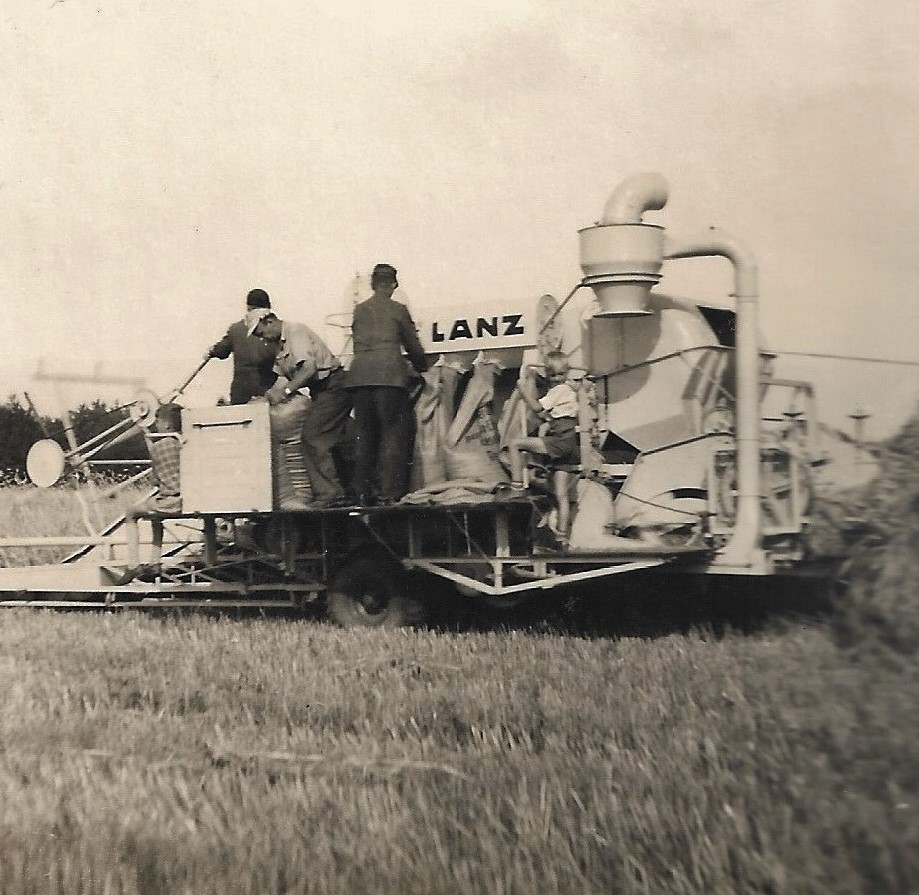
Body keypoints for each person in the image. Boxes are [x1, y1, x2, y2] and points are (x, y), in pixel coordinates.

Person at [246, 307, 352, 508]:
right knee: (329, 440)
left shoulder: (296, 332)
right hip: (321, 391)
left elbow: (308, 368)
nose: (262, 339)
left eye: (261, 333)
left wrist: (285, 392)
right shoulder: (278, 345)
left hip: (334, 386)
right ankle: (340, 490)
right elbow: (282, 377)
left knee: (312, 437)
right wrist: (269, 395)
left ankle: (332, 493)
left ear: (269, 321)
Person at [345, 263, 429, 505]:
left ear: (372, 284)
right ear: (394, 285)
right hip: (389, 378)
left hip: (360, 378)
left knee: (365, 435)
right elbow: (412, 345)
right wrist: (423, 367)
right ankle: (389, 494)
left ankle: (361, 492)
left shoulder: (359, 310)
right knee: (394, 434)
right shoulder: (398, 309)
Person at [507, 351, 581, 541]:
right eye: (553, 375)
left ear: (565, 374)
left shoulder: (559, 390)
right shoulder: (570, 392)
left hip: (560, 441)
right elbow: (547, 416)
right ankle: (563, 535)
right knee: (561, 493)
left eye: (559, 375)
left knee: (515, 444)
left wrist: (523, 391)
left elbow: (538, 408)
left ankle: (516, 487)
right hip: (570, 444)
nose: (556, 379)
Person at [122, 402, 184, 580]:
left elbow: (155, 480)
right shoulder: (185, 443)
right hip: (191, 501)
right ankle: (154, 563)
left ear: (166, 425)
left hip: (171, 503)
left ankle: (134, 564)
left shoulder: (158, 447)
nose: (155, 424)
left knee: (131, 513)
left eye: (157, 420)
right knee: (155, 515)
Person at [207, 288, 278, 404]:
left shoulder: (235, 329)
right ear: (269, 307)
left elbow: (221, 351)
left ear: (248, 308)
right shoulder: (276, 329)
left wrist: (212, 350)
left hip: (242, 393)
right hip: (268, 392)